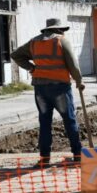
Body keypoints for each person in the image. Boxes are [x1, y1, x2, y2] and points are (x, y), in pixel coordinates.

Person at [11, 17, 85, 165]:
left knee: (44, 122)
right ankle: (78, 155)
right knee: (69, 119)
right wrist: (79, 81)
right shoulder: (62, 41)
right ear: (59, 29)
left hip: (40, 89)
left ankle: (44, 159)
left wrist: (32, 68)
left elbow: (16, 55)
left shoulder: (34, 42)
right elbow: (73, 64)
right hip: (60, 88)